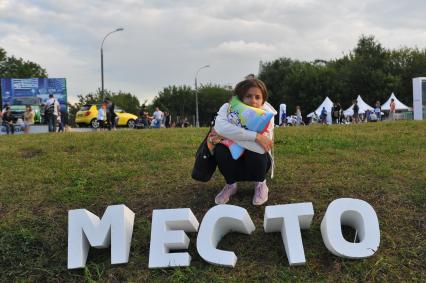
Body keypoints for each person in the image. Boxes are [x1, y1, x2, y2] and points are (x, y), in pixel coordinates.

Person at [208, 78, 276, 206]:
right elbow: (220, 127)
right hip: (234, 162)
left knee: (255, 151)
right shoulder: (227, 108)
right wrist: (256, 136)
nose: (253, 101)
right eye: (248, 96)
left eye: (258, 97)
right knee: (221, 150)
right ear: (240, 97)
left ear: (263, 99)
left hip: (258, 163)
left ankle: (261, 184)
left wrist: (228, 136)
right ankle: (231, 185)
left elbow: (261, 148)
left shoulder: (267, 114)